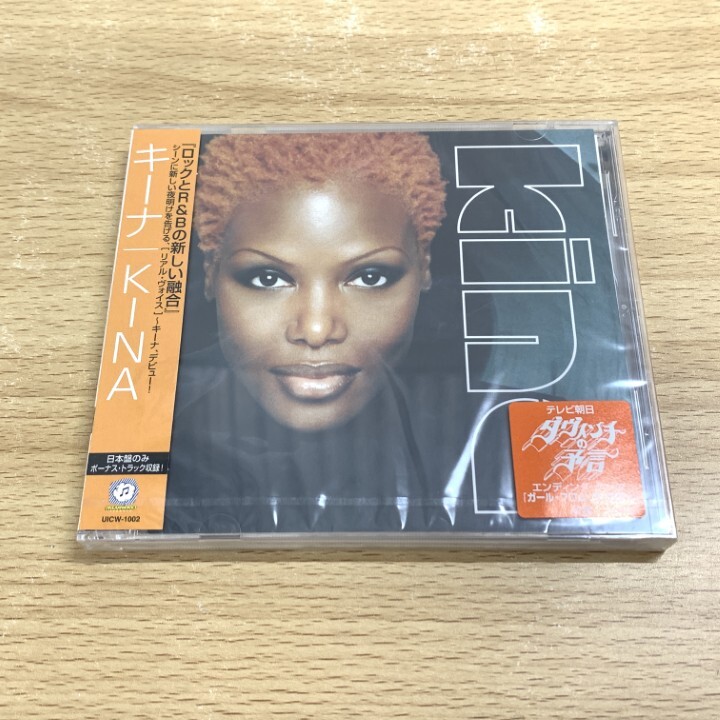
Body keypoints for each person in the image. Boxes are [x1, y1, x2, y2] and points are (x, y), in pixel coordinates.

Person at [164, 132, 455, 534]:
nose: (317, 330)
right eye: (268, 278)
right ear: (211, 273)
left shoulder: (499, 442)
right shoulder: (149, 454)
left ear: (424, 268)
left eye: (370, 276)